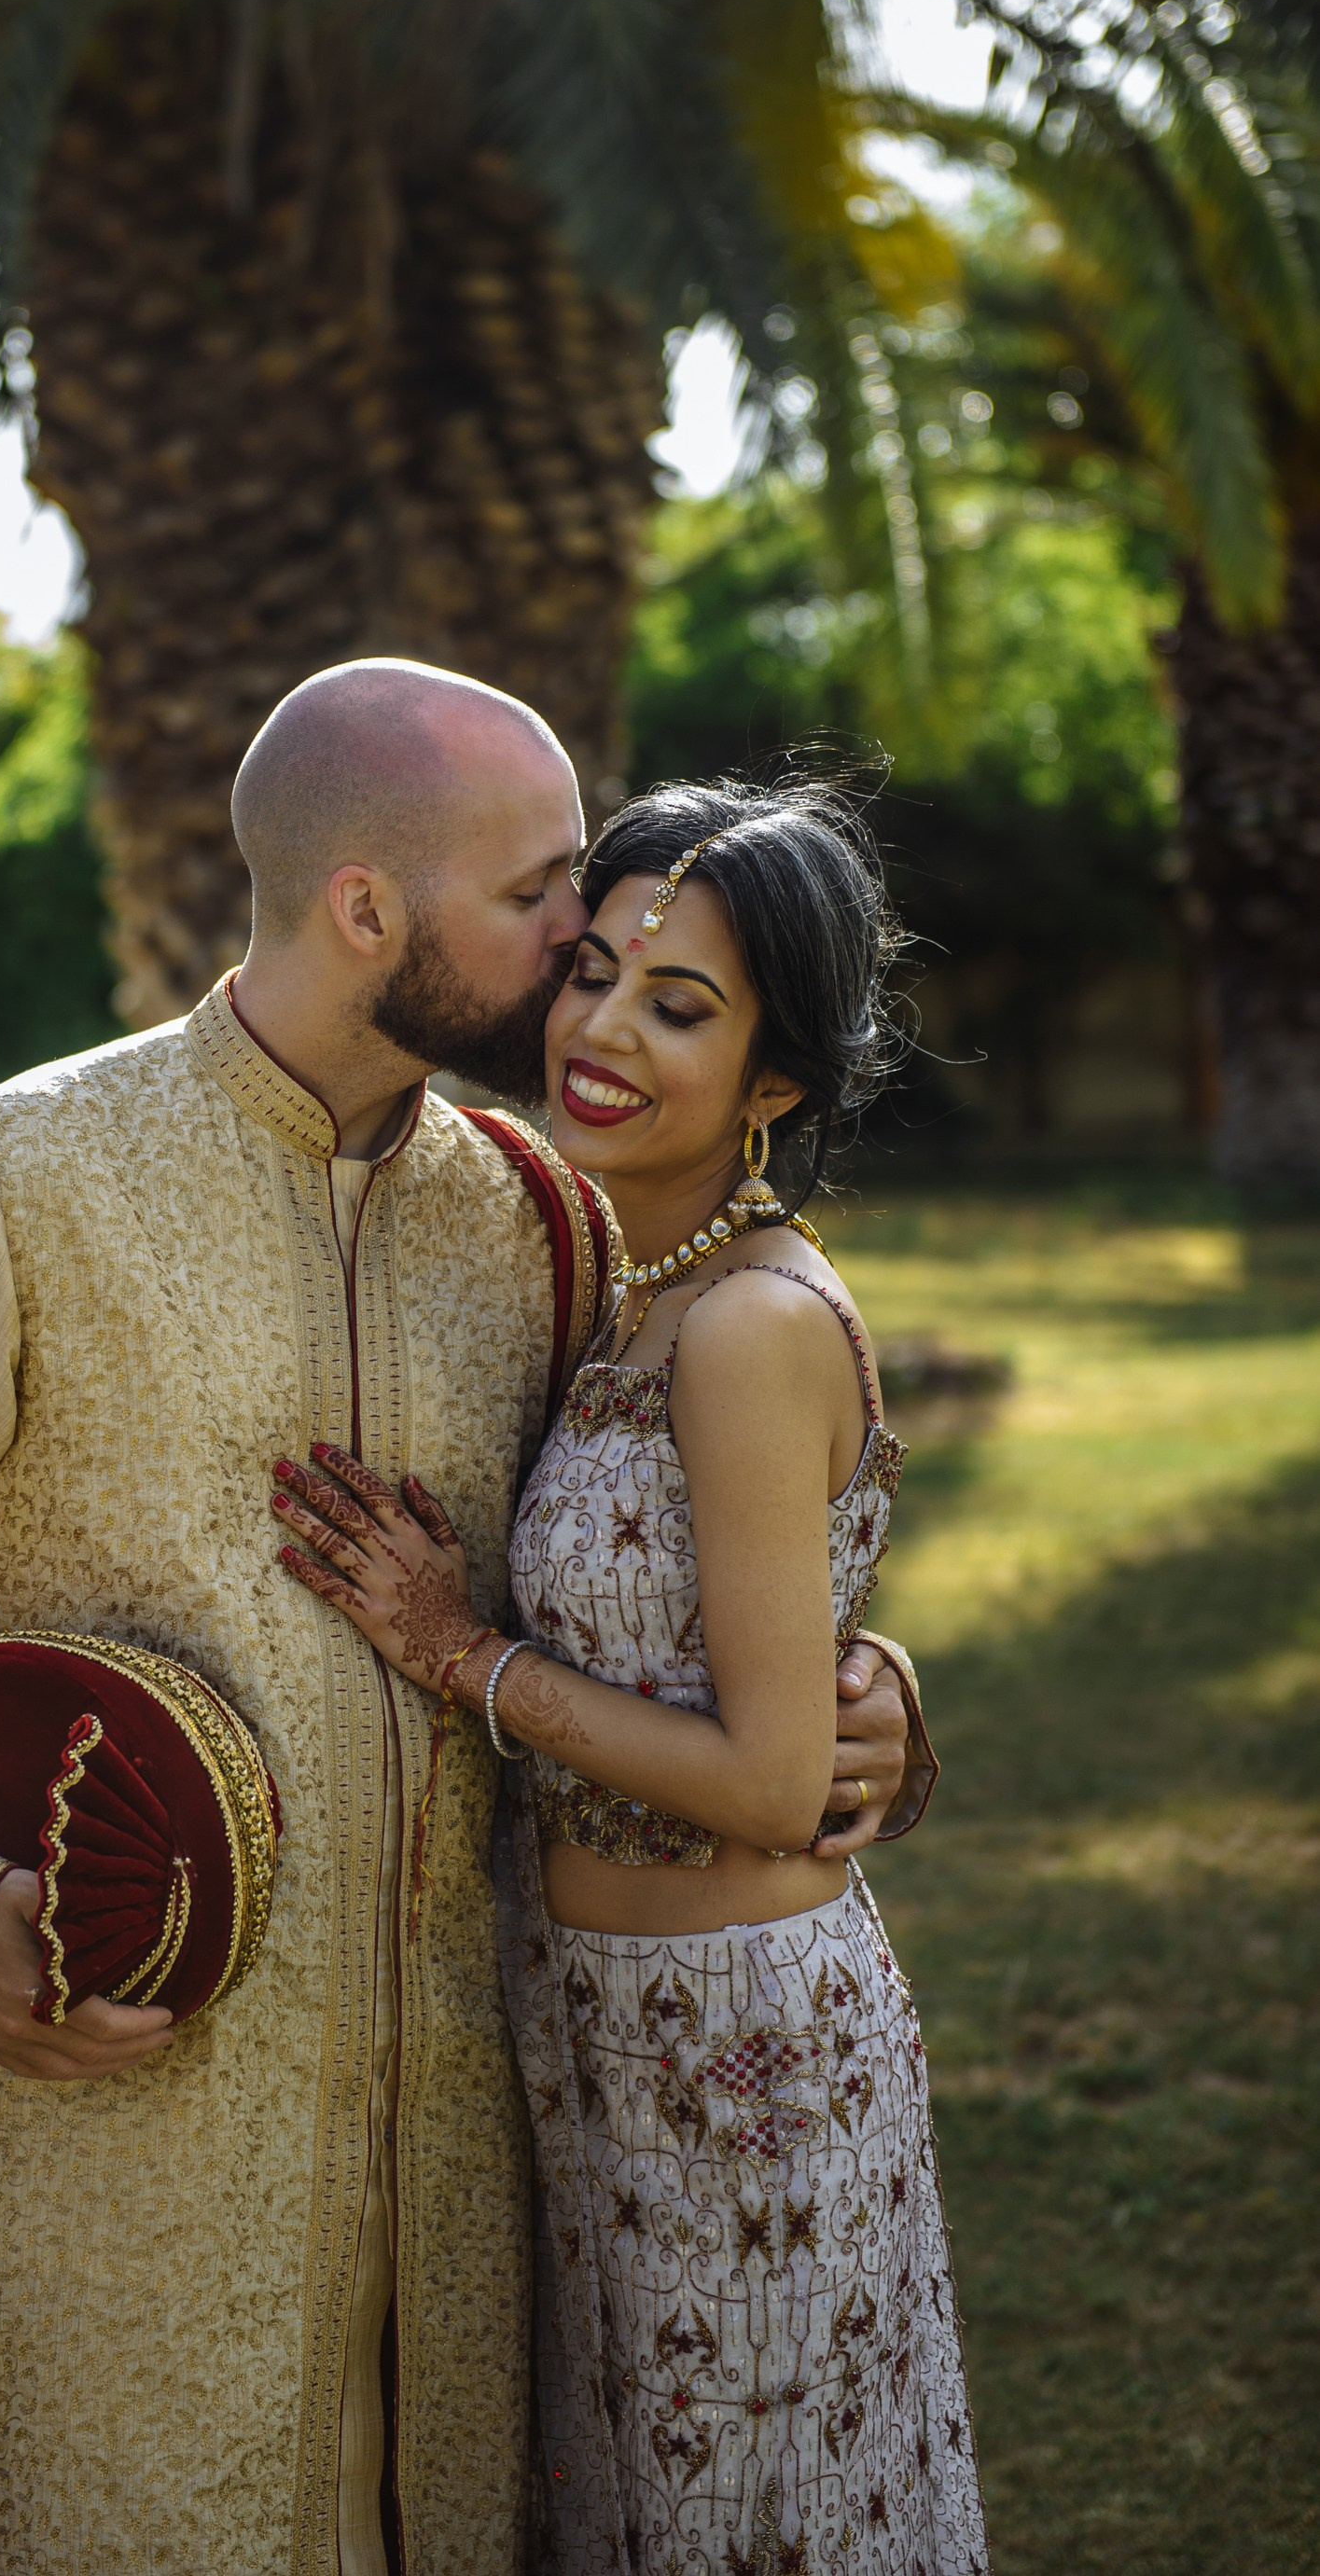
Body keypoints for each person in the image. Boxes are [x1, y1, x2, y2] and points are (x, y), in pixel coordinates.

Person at [0, 668, 924, 2576]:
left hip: (469, 2188)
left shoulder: (537, 1209)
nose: (578, 948)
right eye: (542, 902)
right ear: (370, 910)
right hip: (105, 2129)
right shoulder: (15, 1173)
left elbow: (686, 1550)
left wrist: (865, 1696)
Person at [273, 775, 984, 2573]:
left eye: (679, 1008)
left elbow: (764, 1778)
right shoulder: (623, 1284)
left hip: (741, 2056)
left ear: (778, 1085)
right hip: (593, 2035)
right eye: (591, 970)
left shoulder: (743, 1328)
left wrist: (461, 1654)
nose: (598, 1030)